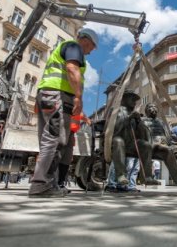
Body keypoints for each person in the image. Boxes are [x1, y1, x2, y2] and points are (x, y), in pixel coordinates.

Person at [28, 28, 98, 198]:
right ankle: (41, 185)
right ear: (87, 41)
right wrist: (79, 97)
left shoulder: (63, 48)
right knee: (55, 141)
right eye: (91, 48)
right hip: (58, 96)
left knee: (49, 141)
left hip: (48, 95)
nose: (89, 52)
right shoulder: (74, 47)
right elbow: (72, 69)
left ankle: (48, 184)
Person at [141, 103, 177, 187]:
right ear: (146, 111)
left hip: (164, 145)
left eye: (155, 107)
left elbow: (168, 137)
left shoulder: (161, 122)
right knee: (165, 148)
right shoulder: (142, 121)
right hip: (151, 144)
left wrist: (175, 143)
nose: (153, 109)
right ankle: (147, 177)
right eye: (150, 107)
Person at [111, 89, 154, 186]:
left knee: (146, 145)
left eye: (135, 100)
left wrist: (139, 121)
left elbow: (142, 135)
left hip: (130, 144)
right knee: (118, 141)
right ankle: (121, 175)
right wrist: (129, 118)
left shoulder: (135, 114)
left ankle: (146, 177)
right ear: (124, 99)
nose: (135, 102)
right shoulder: (116, 110)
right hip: (117, 142)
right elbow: (116, 128)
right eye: (132, 99)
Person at [58, 112, 91, 194]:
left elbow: (82, 115)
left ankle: (60, 184)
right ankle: (53, 183)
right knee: (58, 157)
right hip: (63, 130)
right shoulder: (67, 103)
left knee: (66, 159)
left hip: (71, 133)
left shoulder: (77, 108)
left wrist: (89, 121)